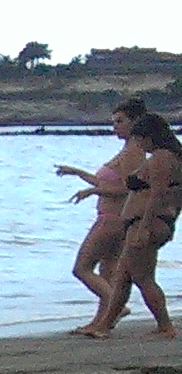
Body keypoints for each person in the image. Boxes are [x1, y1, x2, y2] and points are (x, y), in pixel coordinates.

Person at [77, 112, 182, 339]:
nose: (139, 145)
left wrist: (145, 227)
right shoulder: (168, 158)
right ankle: (104, 326)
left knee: (143, 278)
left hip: (147, 223)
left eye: (140, 139)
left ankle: (166, 326)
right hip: (145, 222)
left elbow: (158, 194)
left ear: (150, 137)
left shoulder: (162, 158)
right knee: (123, 278)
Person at [57, 98, 149, 312]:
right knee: (107, 272)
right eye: (114, 121)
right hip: (111, 217)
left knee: (82, 268)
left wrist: (92, 192)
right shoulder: (127, 149)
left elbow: (128, 188)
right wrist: (76, 172)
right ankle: (103, 320)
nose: (115, 127)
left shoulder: (134, 152)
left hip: (113, 219)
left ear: (135, 122)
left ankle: (117, 307)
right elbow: (104, 182)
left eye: (120, 121)